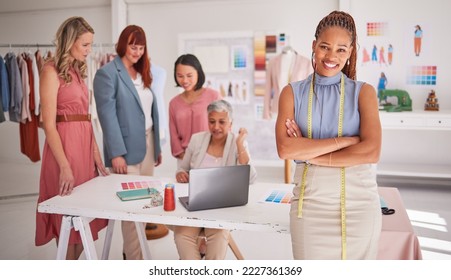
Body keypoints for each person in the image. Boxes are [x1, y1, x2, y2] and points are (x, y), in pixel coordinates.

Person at [275, 11, 382, 260]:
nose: (332, 56)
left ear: (351, 51)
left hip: (360, 207)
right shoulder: (291, 93)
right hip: (310, 207)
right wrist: (346, 142)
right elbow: (286, 150)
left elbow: (372, 152)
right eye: (324, 47)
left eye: (341, 49)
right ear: (313, 46)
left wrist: (310, 153)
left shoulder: (364, 93)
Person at [35, 16, 108, 260]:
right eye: (85, 45)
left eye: (91, 45)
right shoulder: (49, 71)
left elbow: (85, 119)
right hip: (64, 151)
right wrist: (64, 166)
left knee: (82, 223)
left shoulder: (76, 71)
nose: (90, 50)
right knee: (67, 224)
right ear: (70, 42)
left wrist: (96, 155)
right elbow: (48, 124)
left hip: (83, 149)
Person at [93, 25, 162, 260]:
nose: (137, 52)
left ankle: (134, 253)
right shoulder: (107, 73)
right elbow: (107, 116)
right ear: (123, 44)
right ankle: (135, 260)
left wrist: (157, 147)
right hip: (124, 150)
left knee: (146, 204)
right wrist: (116, 153)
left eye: (141, 47)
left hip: (148, 145)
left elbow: (150, 111)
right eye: (133, 46)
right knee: (131, 209)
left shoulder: (143, 72)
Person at [173, 99, 257, 260]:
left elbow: (251, 178)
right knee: (181, 234)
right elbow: (182, 168)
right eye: (212, 122)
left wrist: (240, 144)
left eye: (222, 122)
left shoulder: (237, 143)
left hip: (223, 207)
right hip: (196, 204)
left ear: (230, 123)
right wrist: (180, 173)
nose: (216, 127)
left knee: (218, 235)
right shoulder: (197, 139)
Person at [169, 54, 221, 167]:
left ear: (198, 73)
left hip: (210, 157)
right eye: (180, 76)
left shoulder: (213, 96)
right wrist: (184, 157)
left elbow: (222, 127)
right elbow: (173, 134)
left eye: (189, 75)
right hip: (183, 159)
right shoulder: (174, 103)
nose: (184, 80)